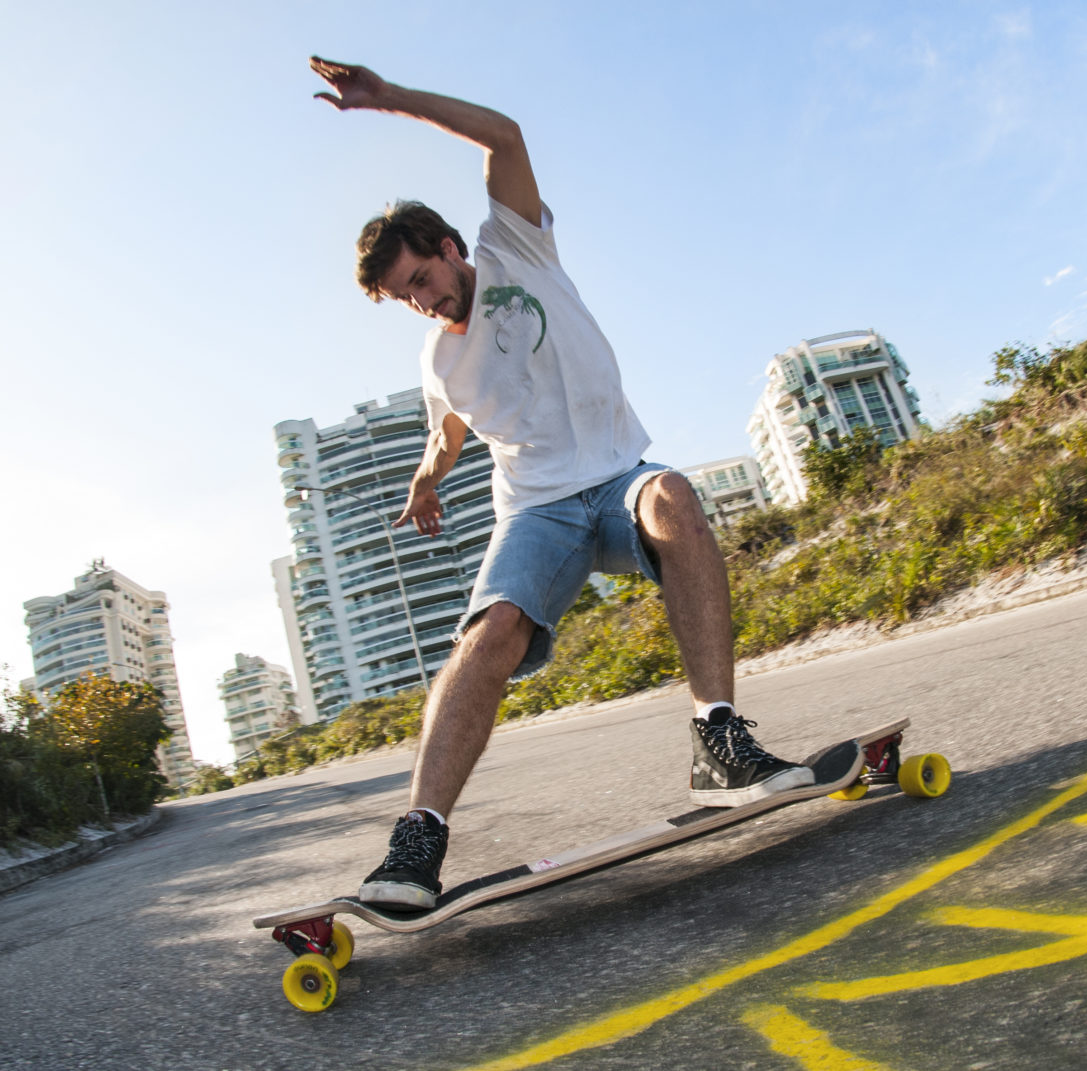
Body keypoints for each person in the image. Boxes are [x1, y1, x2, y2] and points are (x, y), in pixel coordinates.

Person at [308, 57, 812, 911]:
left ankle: (717, 740)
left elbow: (504, 133)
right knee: (491, 629)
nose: (422, 301)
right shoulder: (438, 358)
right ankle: (418, 837)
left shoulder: (516, 245)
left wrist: (388, 99)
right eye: (403, 297)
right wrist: (428, 480)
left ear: (450, 247)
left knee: (674, 498)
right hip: (537, 508)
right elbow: (449, 430)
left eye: (422, 279)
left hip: (615, 481)